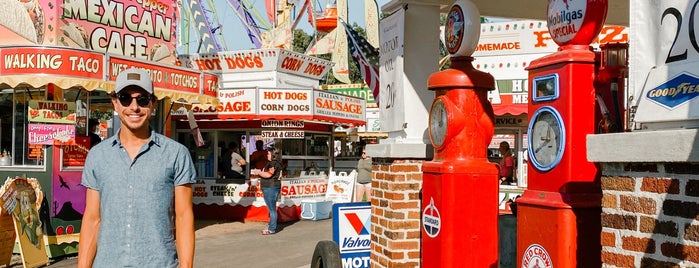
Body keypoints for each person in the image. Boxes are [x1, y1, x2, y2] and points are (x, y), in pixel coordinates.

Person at [78, 68, 196, 268]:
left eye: (142, 100)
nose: (134, 107)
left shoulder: (176, 154)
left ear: (153, 104)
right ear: (115, 103)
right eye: (125, 98)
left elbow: (184, 217)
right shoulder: (98, 156)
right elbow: (92, 218)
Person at [256, 149, 283, 235]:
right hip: (271, 187)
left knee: (272, 209)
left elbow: (269, 174)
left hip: (271, 187)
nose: (267, 155)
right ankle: (271, 226)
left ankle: (271, 229)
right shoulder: (275, 163)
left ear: (272, 155)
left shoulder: (273, 163)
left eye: (268, 154)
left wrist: (259, 172)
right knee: (272, 208)